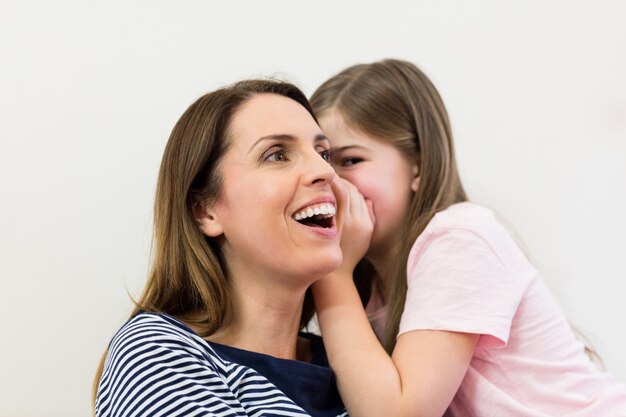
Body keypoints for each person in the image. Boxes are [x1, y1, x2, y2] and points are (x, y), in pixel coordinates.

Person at [310, 59, 626, 417]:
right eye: (321, 160)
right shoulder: (369, 284)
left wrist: (332, 277)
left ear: (419, 165)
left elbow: (397, 412)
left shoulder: (458, 238)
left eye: (350, 160)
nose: (331, 182)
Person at [93, 79, 349, 417]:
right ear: (206, 211)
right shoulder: (156, 353)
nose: (325, 171)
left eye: (324, 153)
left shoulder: (359, 372)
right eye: (277, 155)